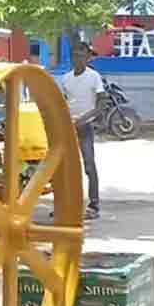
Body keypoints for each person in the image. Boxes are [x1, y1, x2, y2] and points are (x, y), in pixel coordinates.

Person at [59, 43, 104, 220]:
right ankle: (64, 205)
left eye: (82, 55)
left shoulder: (94, 77)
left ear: (87, 57)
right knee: (65, 168)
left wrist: (84, 119)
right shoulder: (66, 78)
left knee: (89, 165)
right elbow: (62, 102)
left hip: (85, 126)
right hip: (68, 127)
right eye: (76, 55)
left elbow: (101, 105)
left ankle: (94, 205)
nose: (79, 58)